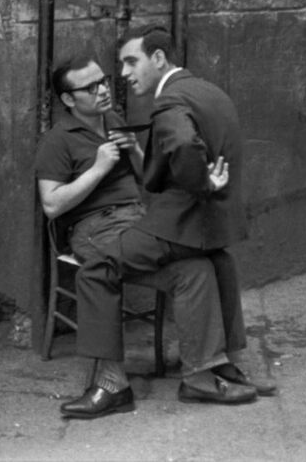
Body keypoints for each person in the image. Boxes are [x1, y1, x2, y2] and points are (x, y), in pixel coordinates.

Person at [36, 54, 268, 419]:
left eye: (105, 82)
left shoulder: (115, 121)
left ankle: (206, 370)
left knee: (199, 269)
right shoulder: (57, 140)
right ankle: (111, 382)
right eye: (90, 87)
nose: (103, 91)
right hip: (97, 228)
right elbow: (51, 205)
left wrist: (137, 152)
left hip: (142, 220)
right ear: (68, 99)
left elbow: (150, 182)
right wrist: (98, 168)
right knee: (101, 271)